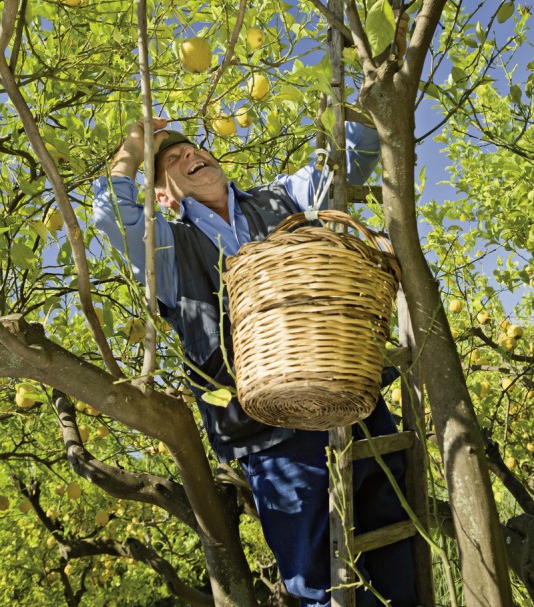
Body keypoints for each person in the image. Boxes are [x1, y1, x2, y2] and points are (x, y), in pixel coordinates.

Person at [93, 116, 417, 607]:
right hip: (269, 435)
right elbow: (109, 219)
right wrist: (133, 149)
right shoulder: (169, 247)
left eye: (193, 149)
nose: (190, 156)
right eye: (172, 162)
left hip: (348, 398)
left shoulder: (284, 198)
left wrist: (360, 103)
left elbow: (354, 154)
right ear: (165, 197)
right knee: (319, 580)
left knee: (396, 541)